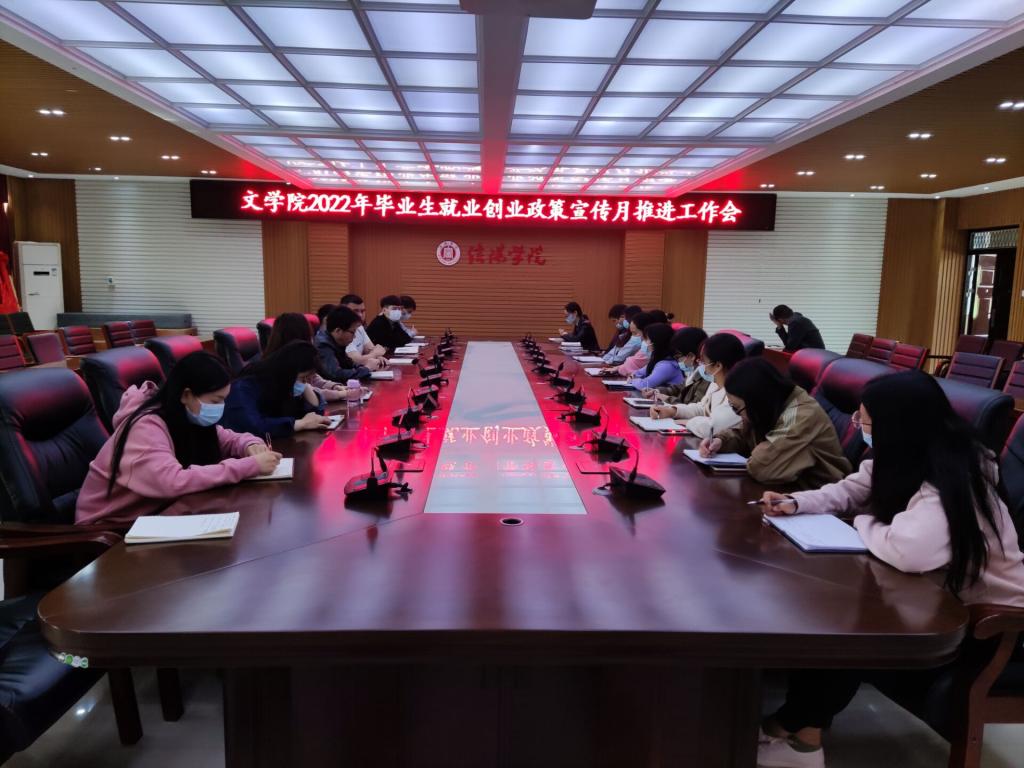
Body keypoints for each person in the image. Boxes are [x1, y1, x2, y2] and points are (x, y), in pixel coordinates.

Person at [754, 372, 1024, 768]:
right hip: (939, 597)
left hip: (992, 628)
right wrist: (796, 502)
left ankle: (797, 735)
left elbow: (907, 551)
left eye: (864, 420)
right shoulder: (905, 455)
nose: (857, 426)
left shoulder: (958, 477)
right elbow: (851, 490)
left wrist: (863, 524)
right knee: (831, 613)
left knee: (853, 627)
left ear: (896, 425)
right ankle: (797, 732)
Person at [76, 352, 281, 526]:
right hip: (110, 529)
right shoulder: (146, 426)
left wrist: (250, 445)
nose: (220, 408)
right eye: (215, 401)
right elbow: (171, 481)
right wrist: (248, 466)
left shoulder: (184, 415)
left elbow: (227, 438)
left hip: (160, 513)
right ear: (186, 395)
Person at [700, 358, 849, 488]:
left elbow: (761, 467)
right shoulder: (773, 403)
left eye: (737, 408)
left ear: (758, 401)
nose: (738, 415)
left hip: (818, 498)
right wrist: (721, 441)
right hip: (787, 491)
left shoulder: (801, 415)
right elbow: (747, 436)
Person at [222, 340, 332, 439]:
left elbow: (313, 416)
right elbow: (253, 426)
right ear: (287, 371)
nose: (304, 383)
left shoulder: (281, 384)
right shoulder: (244, 387)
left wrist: (305, 384)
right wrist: (301, 424)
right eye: (303, 378)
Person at [649, 332, 744, 438]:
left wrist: (688, 422)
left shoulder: (739, 393)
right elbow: (702, 408)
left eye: (704, 362)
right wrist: (672, 411)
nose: (701, 366)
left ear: (718, 366)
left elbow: (710, 427)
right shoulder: (715, 384)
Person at [266, 312, 362, 399]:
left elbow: (313, 378)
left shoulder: (297, 356)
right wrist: (341, 394)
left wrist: (335, 386)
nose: (313, 340)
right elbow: (309, 393)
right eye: (310, 336)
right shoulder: (280, 365)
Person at [641, 327, 709, 405]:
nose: (678, 361)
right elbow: (679, 388)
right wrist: (657, 391)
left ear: (691, 356)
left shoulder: (706, 377)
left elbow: (692, 406)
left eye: (678, 357)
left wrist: (667, 399)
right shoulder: (693, 371)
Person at [315, 306, 372, 383]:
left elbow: (348, 364)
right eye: (352, 332)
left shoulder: (336, 341)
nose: (354, 336)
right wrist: (367, 369)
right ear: (338, 331)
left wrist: (365, 367)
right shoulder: (323, 345)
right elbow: (336, 374)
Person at [625, 322, 683, 390]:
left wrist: (633, 380)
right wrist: (633, 376)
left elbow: (645, 385)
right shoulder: (657, 360)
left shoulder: (667, 365)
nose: (644, 342)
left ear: (656, 341)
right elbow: (638, 372)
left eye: (646, 339)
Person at [601, 311, 658, 377]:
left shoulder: (646, 346)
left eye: (636, 333)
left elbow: (631, 362)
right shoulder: (625, 336)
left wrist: (618, 368)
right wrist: (617, 368)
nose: (639, 337)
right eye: (633, 333)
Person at [339, 294, 387, 371]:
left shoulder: (360, 327)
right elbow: (357, 360)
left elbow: (370, 349)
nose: (360, 315)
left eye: (362, 311)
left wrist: (378, 357)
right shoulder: (342, 331)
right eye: (355, 311)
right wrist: (375, 354)